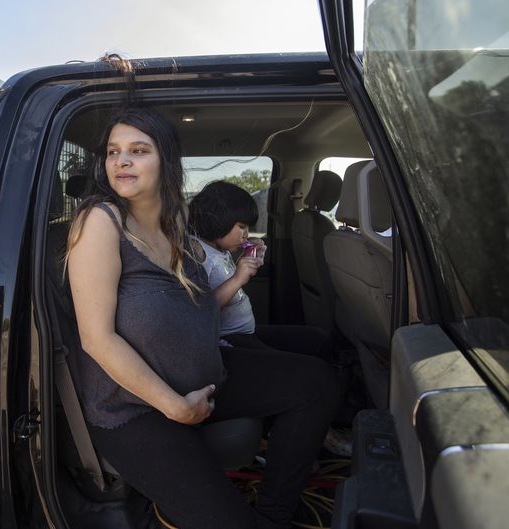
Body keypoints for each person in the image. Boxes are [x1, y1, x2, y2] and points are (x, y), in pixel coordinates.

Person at [65, 107, 342, 529]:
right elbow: (97, 340)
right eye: (113, 152)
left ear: (166, 161)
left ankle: (273, 514)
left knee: (317, 382)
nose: (120, 161)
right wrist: (175, 406)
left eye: (137, 150)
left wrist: (239, 273)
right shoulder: (101, 222)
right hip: (139, 409)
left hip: (207, 377)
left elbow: (199, 304)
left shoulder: (173, 220)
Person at [188, 181, 332, 360]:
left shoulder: (220, 249)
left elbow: (222, 276)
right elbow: (200, 310)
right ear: (218, 219)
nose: (246, 235)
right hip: (228, 341)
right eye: (242, 227)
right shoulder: (196, 251)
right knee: (309, 368)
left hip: (247, 332)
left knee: (318, 339)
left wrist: (248, 260)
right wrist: (238, 278)